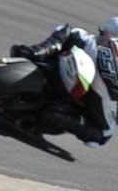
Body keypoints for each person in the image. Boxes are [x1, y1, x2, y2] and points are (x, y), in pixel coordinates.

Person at [10, 17, 118, 147]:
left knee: (70, 33)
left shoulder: (92, 39)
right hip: (100, 89)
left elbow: (69, 32)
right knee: (101, 135)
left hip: (100, 89)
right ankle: (61, 117)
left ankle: (38, 52)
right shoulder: (96, 42)